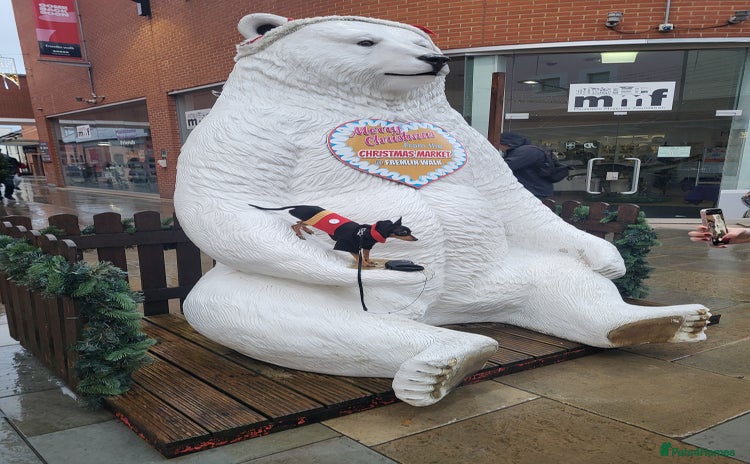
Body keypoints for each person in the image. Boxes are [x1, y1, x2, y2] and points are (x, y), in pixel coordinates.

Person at [498, 131, 553, 199]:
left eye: (499, 144)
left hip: (534, 191)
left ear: (507, 143)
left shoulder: (527, 151)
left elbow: (506, 166)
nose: (499, 147)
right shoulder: (524, 150)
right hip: (533, 189)